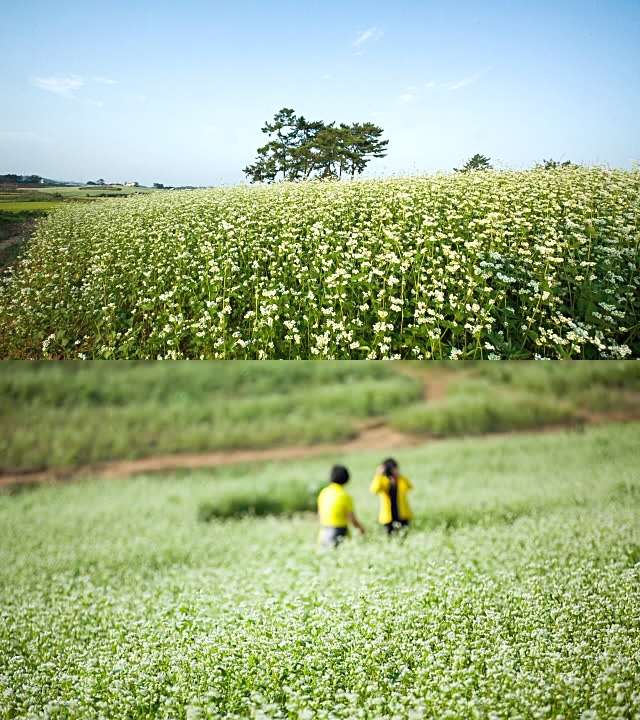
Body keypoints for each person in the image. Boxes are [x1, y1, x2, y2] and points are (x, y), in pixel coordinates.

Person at [317, 465, 366, 549]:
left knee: (325, 552)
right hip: (339, 530)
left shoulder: (324, 492)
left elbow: (319, 514)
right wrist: (361, 529)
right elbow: (352, 519)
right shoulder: (344, 495)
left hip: (324, 530)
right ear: (346, 479)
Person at [370, 458, 413, 536]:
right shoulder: (382, 481)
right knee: (389, 536)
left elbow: (410, 487)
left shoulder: (401, 480)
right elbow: (374, 490)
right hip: (388, 516)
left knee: (403, 536)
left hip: (402, 514)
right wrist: (378, 475)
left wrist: (399, 476)